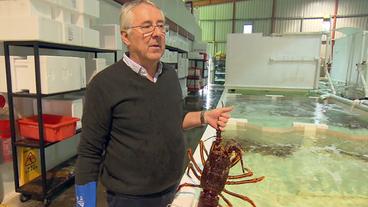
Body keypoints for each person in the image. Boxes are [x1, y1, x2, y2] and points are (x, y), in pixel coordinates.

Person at [75, 1, 232, 207]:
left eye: (161, 26)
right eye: (147, 26)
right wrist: (84, 204)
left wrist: (204, 116)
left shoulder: (170, 75)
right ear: (125, 36)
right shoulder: (104, 85)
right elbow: (89, 152)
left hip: (173, 187)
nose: (157, 33)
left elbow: (173, 120)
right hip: (130, 199)